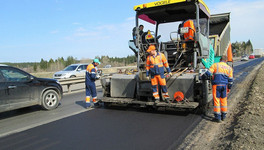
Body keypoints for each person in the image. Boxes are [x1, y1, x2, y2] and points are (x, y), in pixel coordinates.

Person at [202, 55, 233, 122]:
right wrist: (229, 87)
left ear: (220, 59)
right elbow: (230, 80)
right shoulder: (229, 68)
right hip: (224, 86)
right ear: (226, 61)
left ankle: (218, 117)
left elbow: (208, 73)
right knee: (224, 100)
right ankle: (223, 116)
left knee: (217, 101)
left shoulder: (216, 65)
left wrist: (202, 77)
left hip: (216, 85)